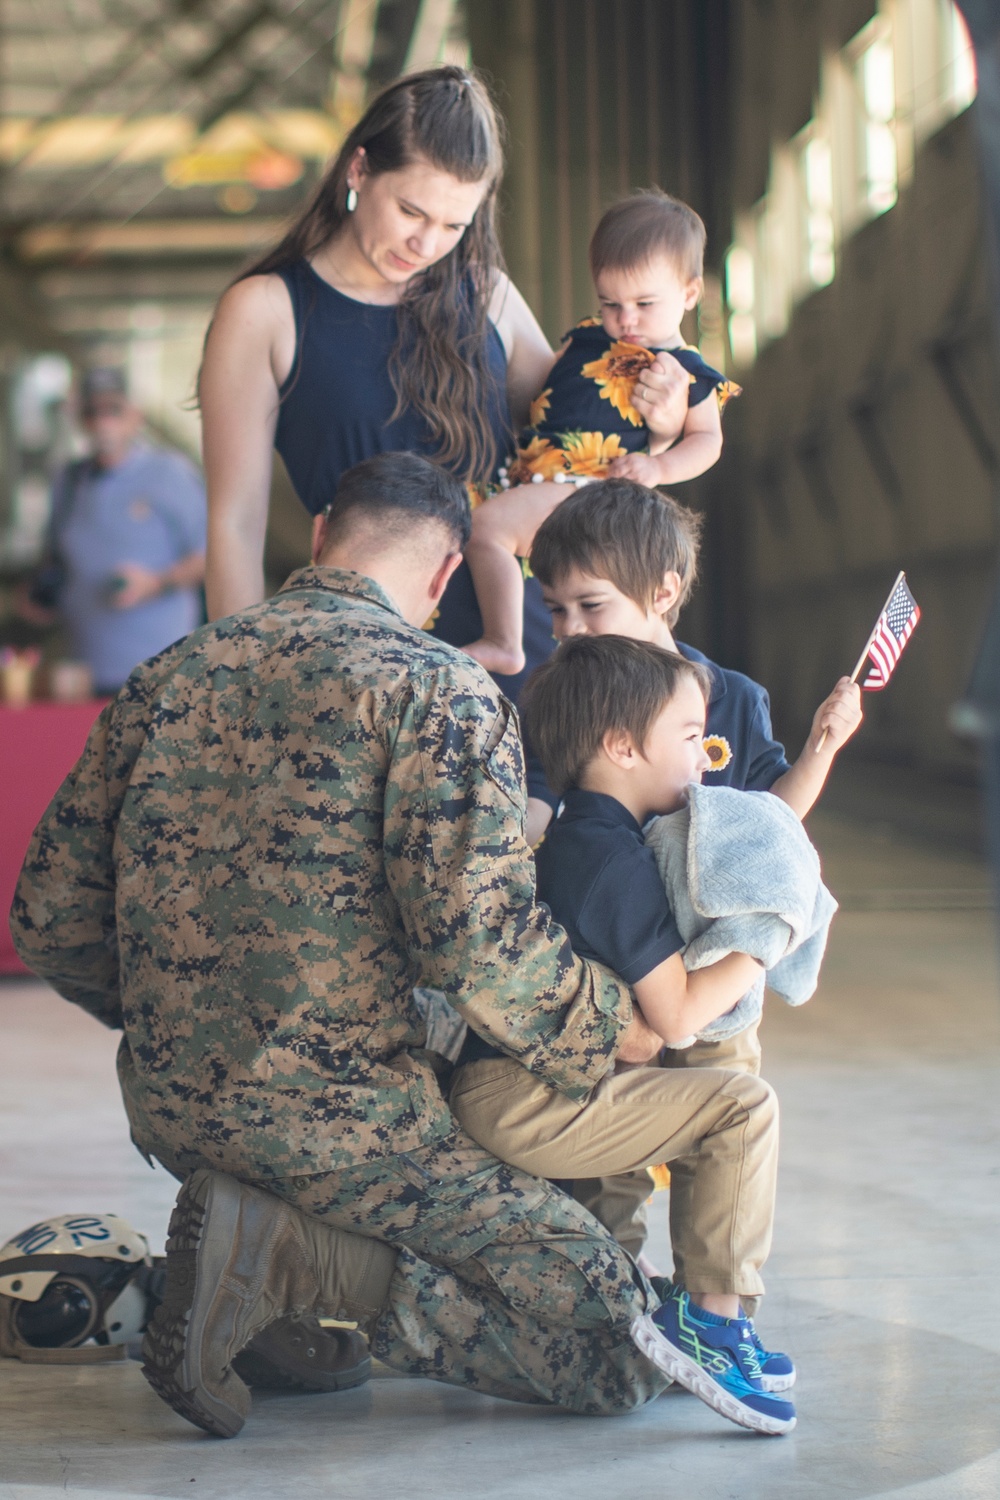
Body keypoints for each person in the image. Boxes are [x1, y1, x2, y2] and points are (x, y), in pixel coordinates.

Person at [11, 452, 785, 1440]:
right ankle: (289, 1258)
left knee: (384, 1301)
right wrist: (612, 1035)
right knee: (628, 1345)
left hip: (172, 1107)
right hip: (354, 1123)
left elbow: (49, 913)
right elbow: (479, 947)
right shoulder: (437, 689)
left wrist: (177, 1013)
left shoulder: (169, 673)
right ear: (444, 574)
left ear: (325, 536)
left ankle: (266, 1275)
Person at [198, 65, 690, 842]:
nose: (426, 243)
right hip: (368, 659)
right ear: (360, 169)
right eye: (410, 210)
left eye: (454, 225)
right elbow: (233, 525)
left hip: (519, 644)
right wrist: (236, 697)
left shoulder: (487, 294)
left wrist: (668, 427)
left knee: (543, 888)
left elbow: (579, 436)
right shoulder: (264, 311)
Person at [449, 634, 795, 1432]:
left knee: (706, 1098)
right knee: (742, 1108)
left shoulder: (591, 837)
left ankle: (687, 1314)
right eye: (688, 737)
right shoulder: (605, 856)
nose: (704, 760)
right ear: (620, 747)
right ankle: (712, 1321)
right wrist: (770, 936)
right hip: (523, 1100)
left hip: (531, 1086)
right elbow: (676, 1013)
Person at [525, 477, 862, 1272]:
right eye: (556, 610)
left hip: (710, 978)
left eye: (591, 605)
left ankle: (717, 1306)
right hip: (614, 971)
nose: (570, 629)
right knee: (604, 1156)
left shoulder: (732, 701)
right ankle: (602, 1300)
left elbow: (771, 822)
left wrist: (822, 747)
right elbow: (536, 813)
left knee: (726, 1138)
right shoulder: (561, 700)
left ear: (664, 590)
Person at [463, 191, 740, 677]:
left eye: (644, 303)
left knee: (487, 530)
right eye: (610, 302)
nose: (625, 318)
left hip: (590, 490)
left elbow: (707, 442)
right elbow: (547, 392)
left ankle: (503, 641)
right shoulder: (590, 338)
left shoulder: (689, 372)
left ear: (689, 294)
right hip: (540, 475)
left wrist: (657, 466)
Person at [23, 368, 207, 696]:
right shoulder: (69, 481)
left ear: (135, 416)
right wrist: (41, 597)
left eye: (113, 411)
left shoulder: (169, 473)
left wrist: (156, 583)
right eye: (92, 412)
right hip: (83, 671)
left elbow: (211, 555)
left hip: (159, 673)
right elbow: (55, 559)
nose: (103, 424)